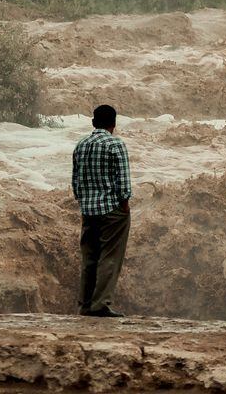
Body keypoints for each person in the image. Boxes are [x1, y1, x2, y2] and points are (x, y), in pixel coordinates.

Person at [71, 104, 132, 317]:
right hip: (112, 211)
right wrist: (124, 206)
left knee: (89, 258)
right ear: (114, 124)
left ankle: (85, 305)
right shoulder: (116, 145)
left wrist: (84, 202)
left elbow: (76, 181)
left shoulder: (81, 145)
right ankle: (100, 304)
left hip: (88, 210)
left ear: (93, 122)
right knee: (110, 256)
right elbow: (123, 184)